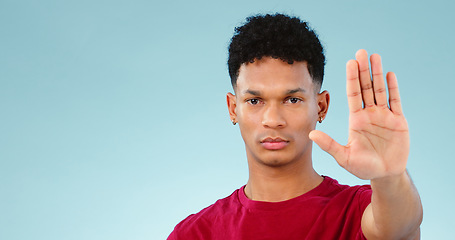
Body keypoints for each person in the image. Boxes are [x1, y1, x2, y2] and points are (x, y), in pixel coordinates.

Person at [168, 13, 423, 240]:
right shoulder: (195, 233)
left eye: (292, 100)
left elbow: (400, 229)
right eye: (254, 100)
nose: (273, 119)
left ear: (321, 106)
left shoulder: (359, 210)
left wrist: (389, 175)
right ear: (233, 108)